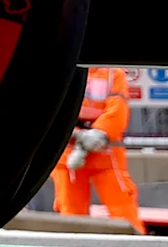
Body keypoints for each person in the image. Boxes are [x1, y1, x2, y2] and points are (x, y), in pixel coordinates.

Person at [51, 64, 143, 229]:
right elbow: (52, 108)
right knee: (70, 210)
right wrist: (75, 134)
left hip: (105, 152)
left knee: (122, 207)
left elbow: (118, 109)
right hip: (69, 154)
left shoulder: (112, 74)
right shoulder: (61, 70)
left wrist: (98, 133)